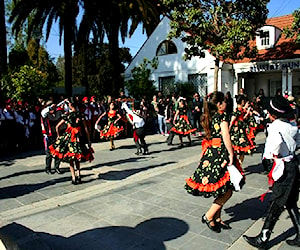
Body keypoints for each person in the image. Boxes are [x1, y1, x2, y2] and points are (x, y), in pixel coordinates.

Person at [243, 95, 300, 249]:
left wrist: (270, 160)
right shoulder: (292, 125)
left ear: (274, 113)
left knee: (277, 202)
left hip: (282, 167)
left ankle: (263, 237)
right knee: (290, 202)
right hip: (293, 165)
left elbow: (274, 148)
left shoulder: (276, 127)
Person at [185, 91, 242, 233]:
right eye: (224, 101)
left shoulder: (210, 116)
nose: (226, 103)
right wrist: (230, 153)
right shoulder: (222, 116)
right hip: (221, 152)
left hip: (212, 152)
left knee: (222, 188)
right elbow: (226, 136)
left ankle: (216, 218)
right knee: (227, 191)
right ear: (218, 104)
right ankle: (209, 215)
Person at [49, 98, 94, 185]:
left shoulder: (67, 115)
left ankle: (73, 177)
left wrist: (59, 136)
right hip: (78, 138)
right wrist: (88, 140)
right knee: (77, 157)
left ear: (70, 105)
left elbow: (58, 126)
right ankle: (79, 174)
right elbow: (86, 128)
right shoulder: (80, 115)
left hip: (69, 138)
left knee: (70, 158)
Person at [229, 94, 256, 166]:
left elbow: (242, 118)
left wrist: (247, 113)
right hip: (236, 132)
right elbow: (232, 121)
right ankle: (235, 164)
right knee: (237, 149)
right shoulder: (237, 110)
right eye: (243, 101)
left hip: (241, 131)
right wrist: (228, 130)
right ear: (242, 101)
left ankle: (239, 165)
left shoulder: (241, 110)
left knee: (242, 151)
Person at [41, 100, 66, 174]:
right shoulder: (45, 114)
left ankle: (57, 167)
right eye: (52, 106)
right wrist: (50, 107)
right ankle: (48, 168)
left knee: (58, 151)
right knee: (49, 154)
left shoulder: (58, 113)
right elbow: (44, 112)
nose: (53, 108)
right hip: (48, 136)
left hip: (57, 135)